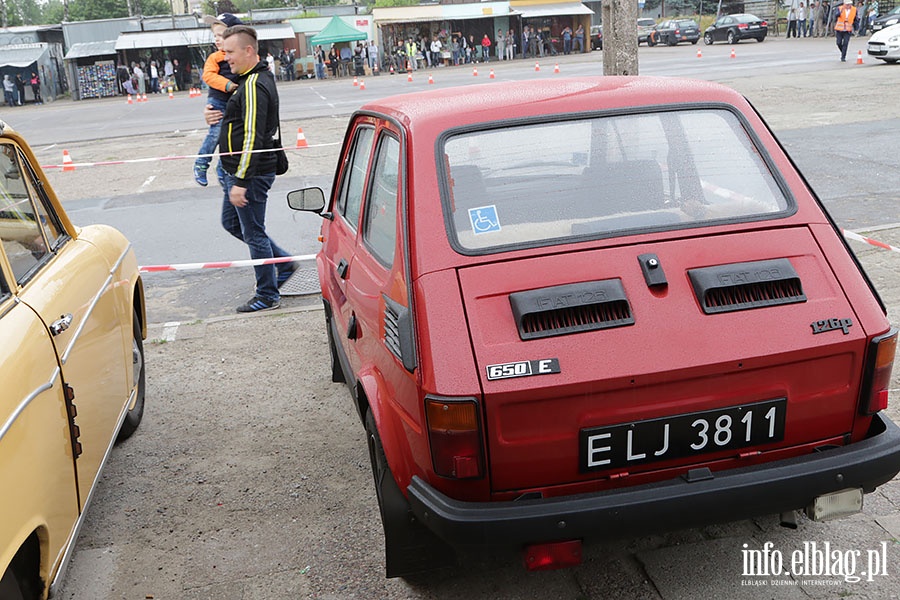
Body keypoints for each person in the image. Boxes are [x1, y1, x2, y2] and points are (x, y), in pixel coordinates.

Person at [206, 24, 295, 313]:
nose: (225, 58)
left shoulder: (255, 84)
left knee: (254, 232)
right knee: (233, 224)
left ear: (248, 50)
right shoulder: (248, 80)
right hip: (241, 172)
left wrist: (241, 181)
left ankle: (268, 294)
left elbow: (253, 137)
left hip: (250, 173)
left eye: (229, 52)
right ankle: (282, 264)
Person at [194, 13, 243, 188]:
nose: (217, 40)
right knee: (216, 133)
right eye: (215, 36)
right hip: (218, 101)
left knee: (229, 138)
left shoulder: (242, 58)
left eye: (221, 36)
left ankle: (222, 168)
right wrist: (227, 84)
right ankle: (201, 163)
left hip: (233, 104)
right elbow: (207, 75)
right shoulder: (215, 57)